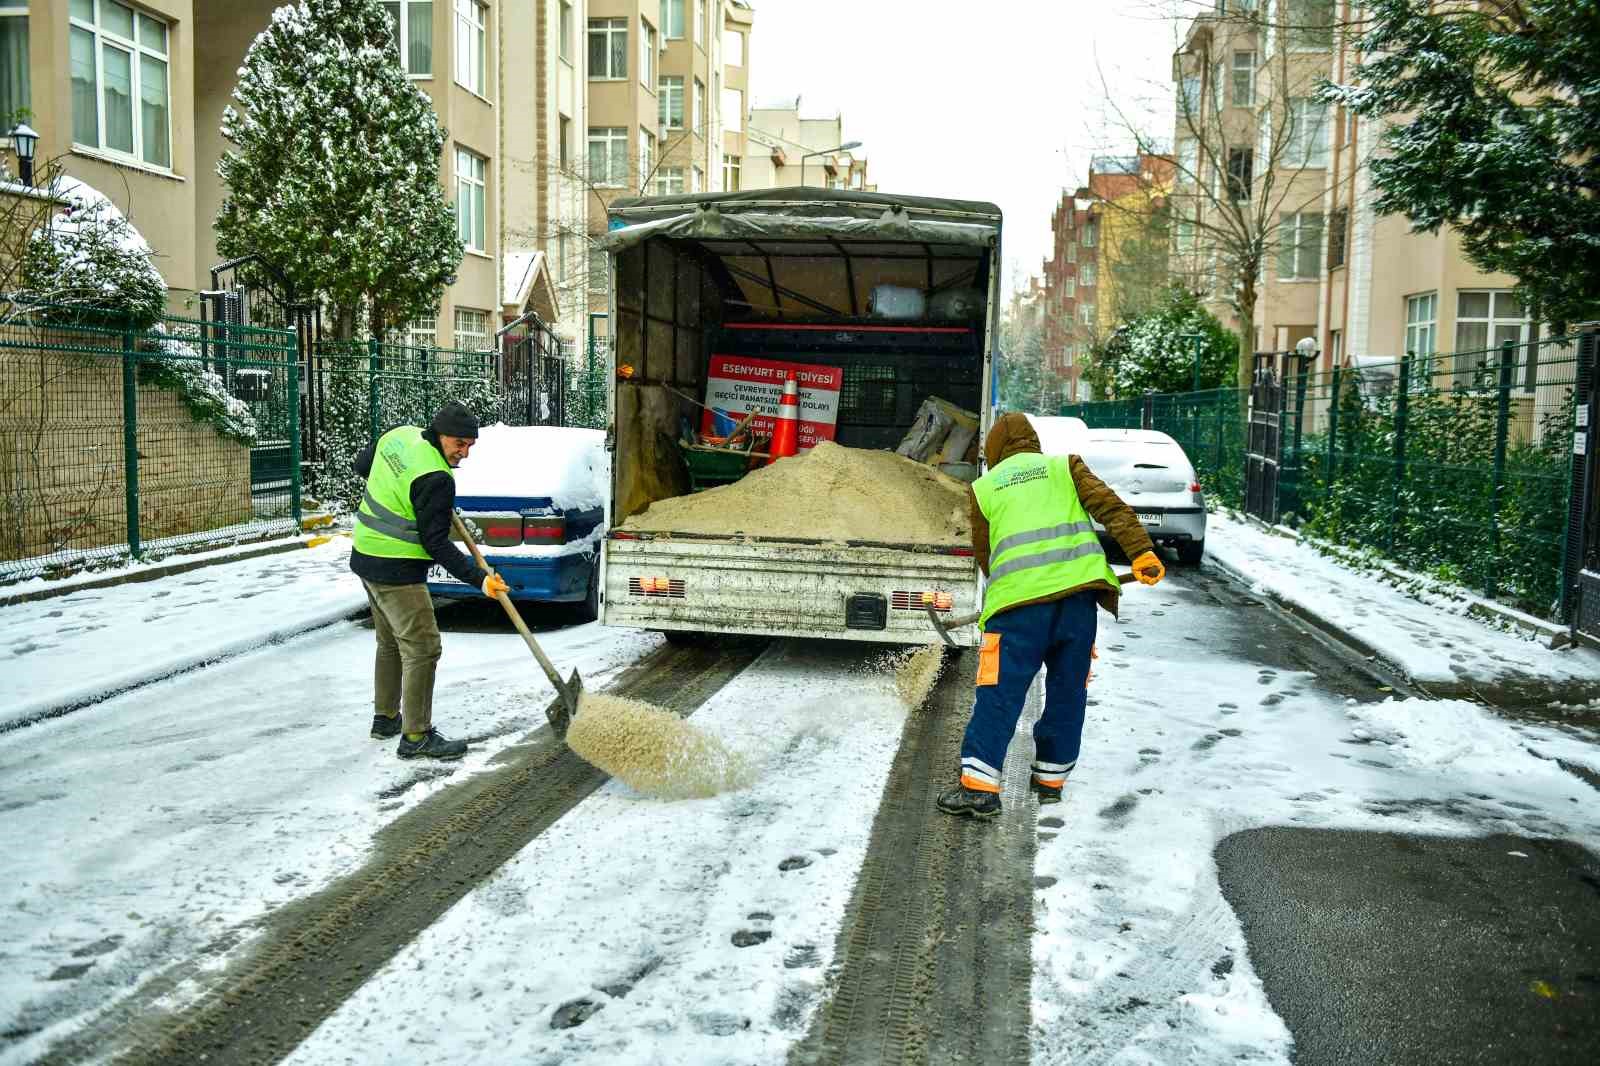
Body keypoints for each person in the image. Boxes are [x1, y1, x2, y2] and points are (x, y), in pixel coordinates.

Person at [936, 413, 1166, 819]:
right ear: (1033, 442)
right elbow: (1111, 507)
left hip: (1018, 612)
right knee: (1067, 690)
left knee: (999, 694)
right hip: (1077, 605)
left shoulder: (984, 488)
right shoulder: (1065, 467)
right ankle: (1050, 778)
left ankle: (979, 788)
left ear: (993, 451)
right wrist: (1141, 552)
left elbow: (986, 555)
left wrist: (1015, 585)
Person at [349, 401, 509, 760]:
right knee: (422, 648)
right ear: (440, 434)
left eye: (470, 446)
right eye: (459, 444)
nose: (464, 453)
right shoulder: (437, 478)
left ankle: (386, 718)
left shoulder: (399, 436)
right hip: (397, 570)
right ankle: (417, 735)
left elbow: (362, 466)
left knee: (390, 642)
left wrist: (406, 492)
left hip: (365, 554)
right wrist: (480, 580)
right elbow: (435, 544)